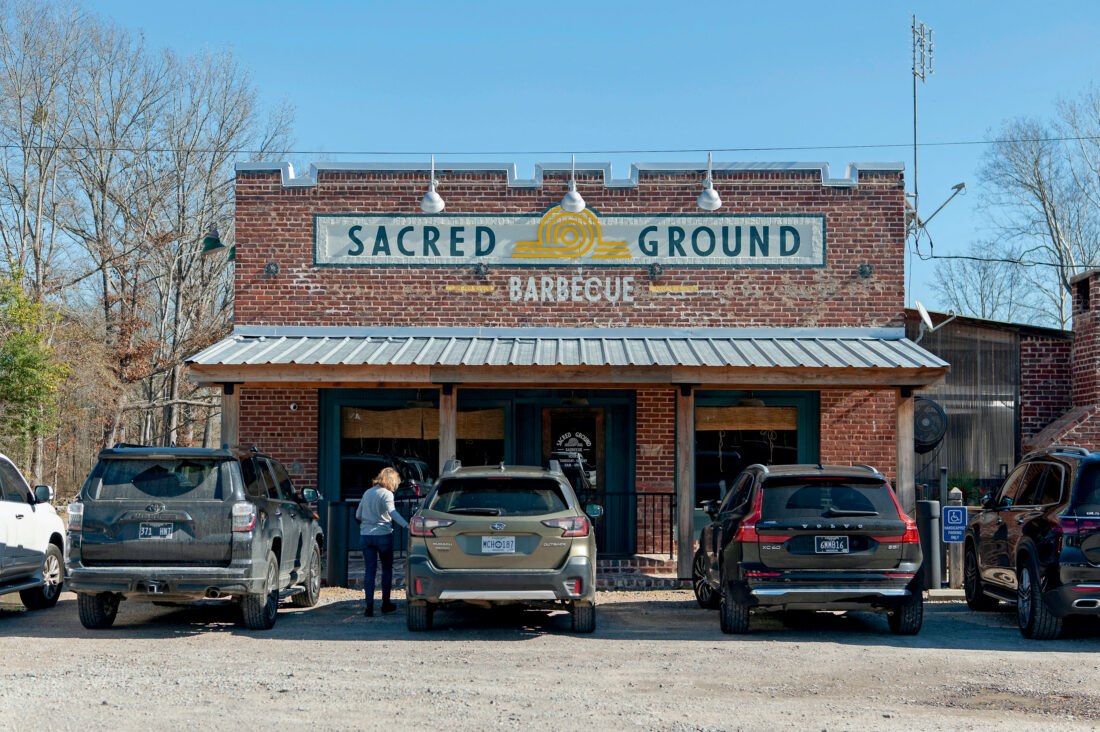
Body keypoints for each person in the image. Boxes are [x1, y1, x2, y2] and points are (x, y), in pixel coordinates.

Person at [355, 466, 409, 617]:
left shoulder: (367, 493)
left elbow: (358, 514)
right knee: (386, 569)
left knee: (369, 571)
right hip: (383, 535)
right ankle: (385, 603)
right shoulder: (387, 494)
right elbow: (392, 512)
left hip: (366, 536)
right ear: (392, 481)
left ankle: (369, 606)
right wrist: (406, 525)